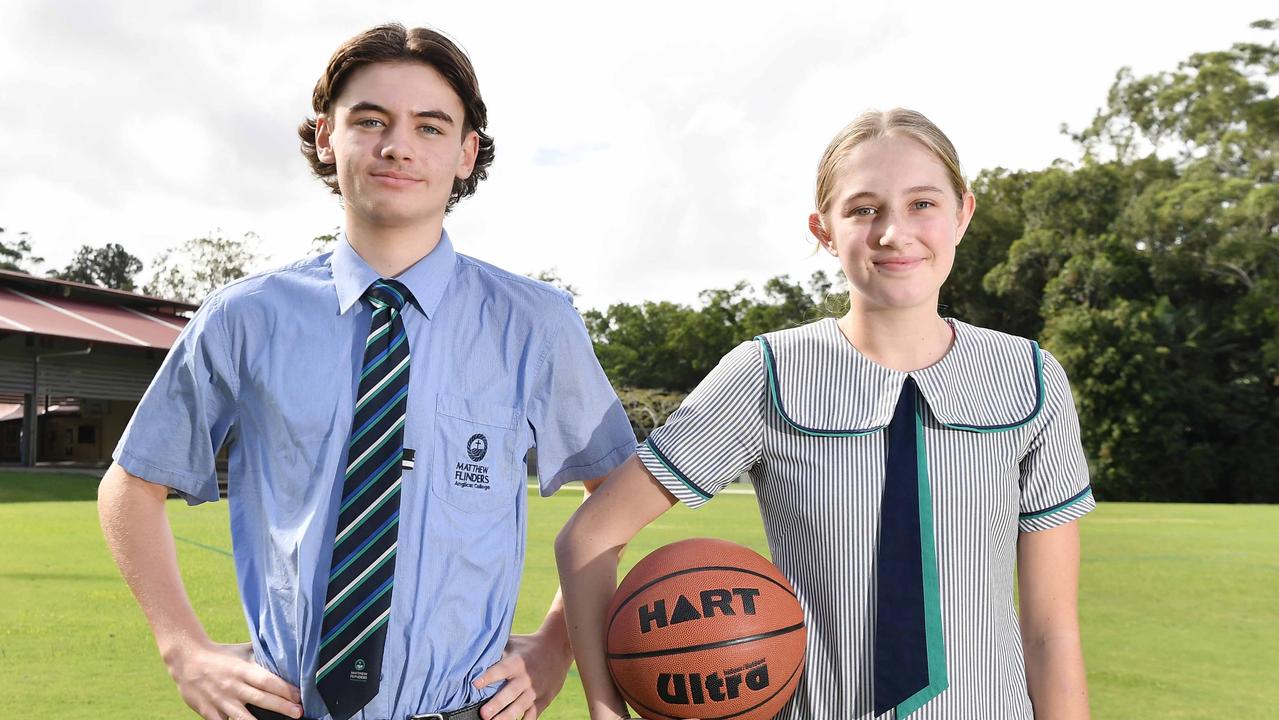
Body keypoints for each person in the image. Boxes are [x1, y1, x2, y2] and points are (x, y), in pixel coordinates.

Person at [98, 23, 636, 720]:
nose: (398, 146)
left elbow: (615, 493)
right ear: (327, 136)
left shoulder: (535, 323)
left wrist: (556, 645)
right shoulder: (244, 317)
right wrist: (182, 647)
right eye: (370, 120)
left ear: (467, 153)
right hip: (286, 706)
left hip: (464, 708)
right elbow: (131, 483)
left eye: (431, 127)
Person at [556, 108, 1094, 719]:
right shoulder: (766, 374)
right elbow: (590, 535)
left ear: (963, 213)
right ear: (823, 230)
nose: (894, 232)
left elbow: (1052, 633)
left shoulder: (1030, 378)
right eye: (863, 209)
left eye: (923, 203)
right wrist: (608, 711)